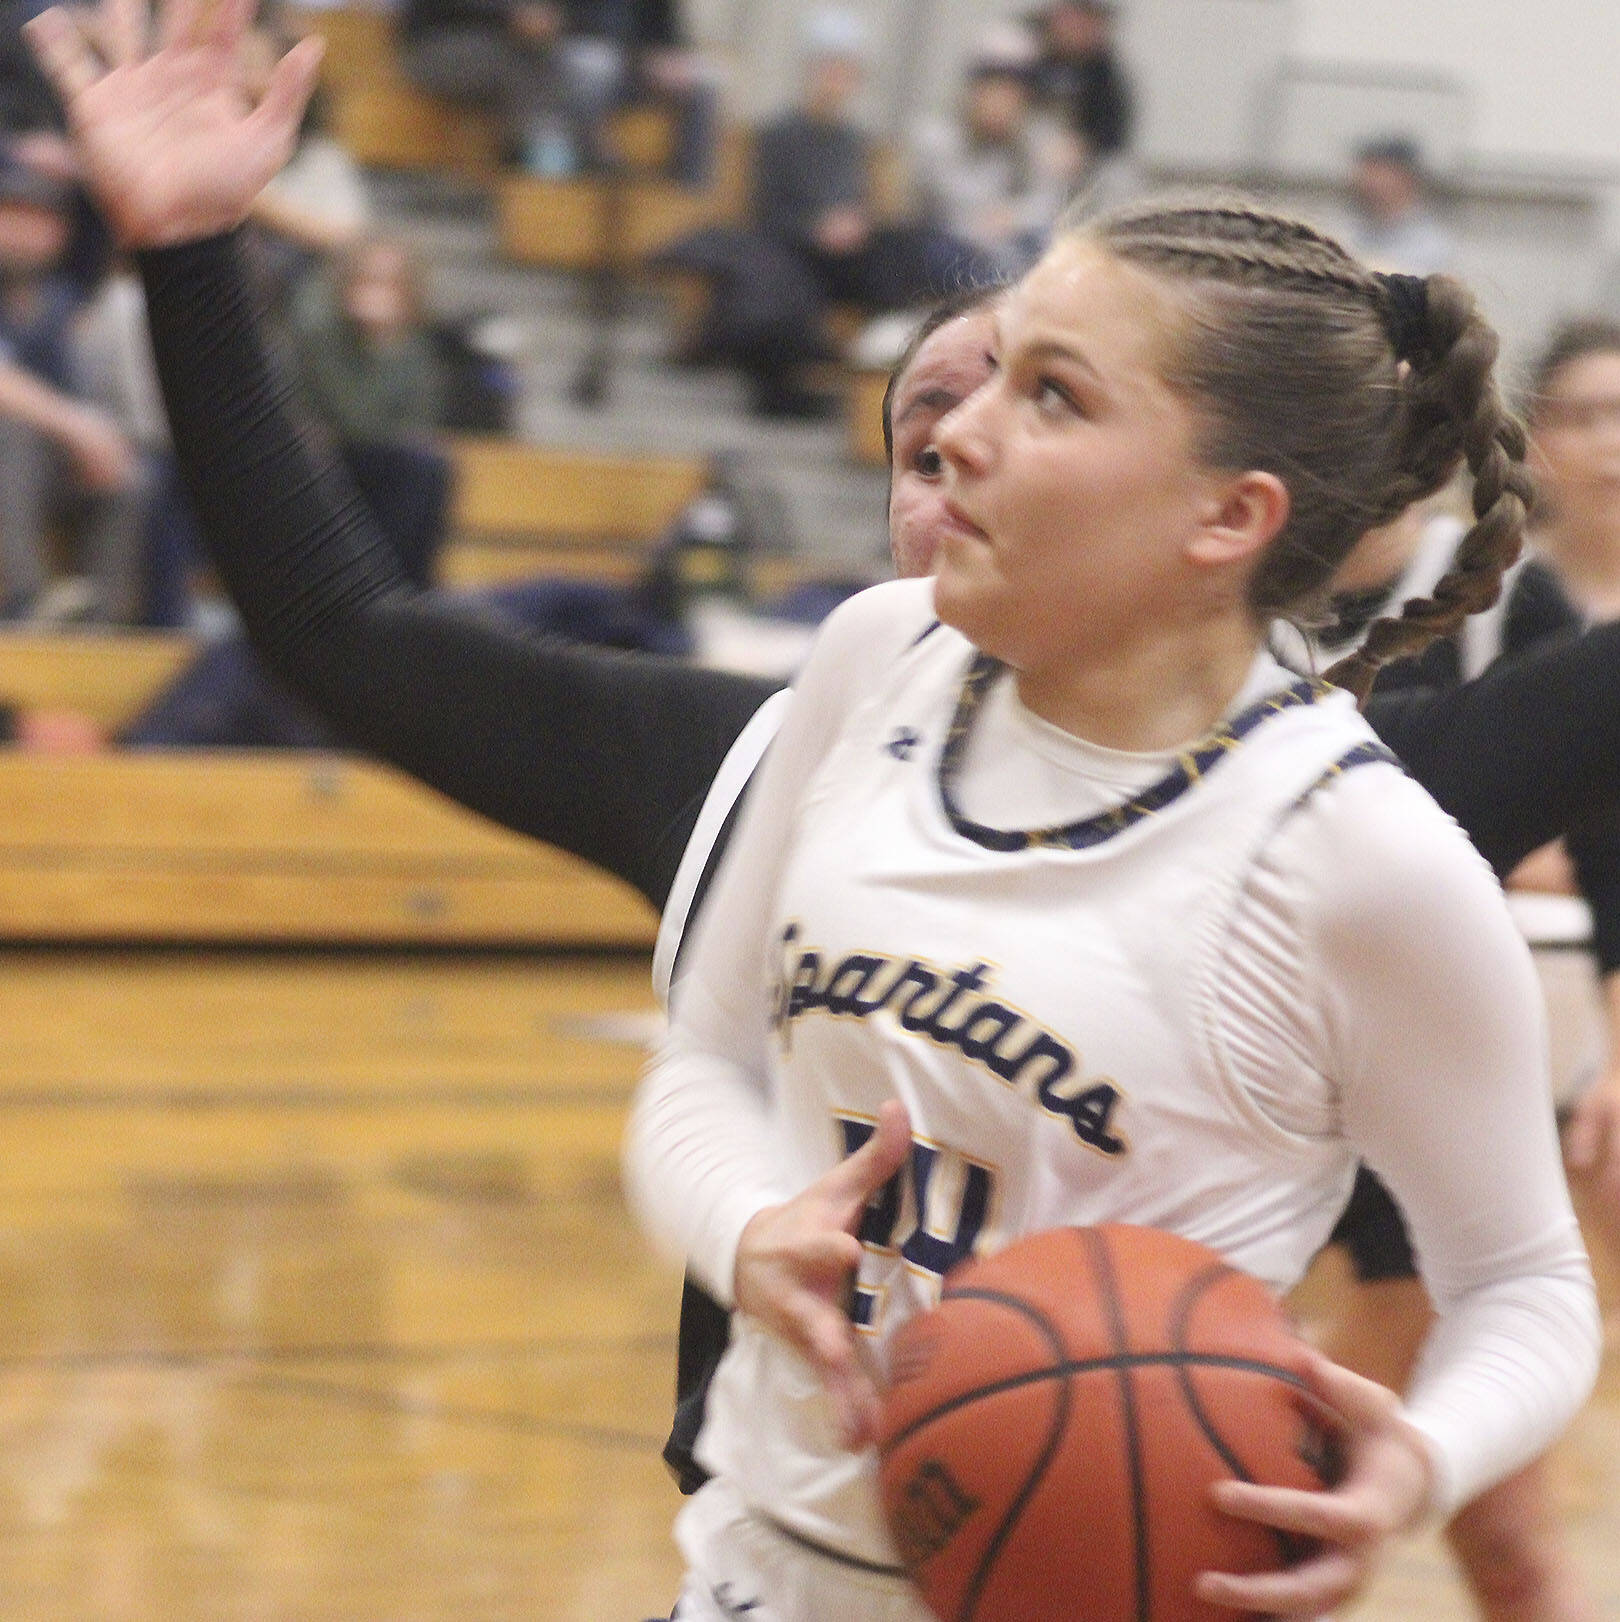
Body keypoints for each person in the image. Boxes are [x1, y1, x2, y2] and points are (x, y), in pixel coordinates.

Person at [21, 11, 1616, 1613]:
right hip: (750, 1570)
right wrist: (745, 1225)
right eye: (922, 429)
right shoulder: (854, 684)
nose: (958, 446)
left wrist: (1424, 1451)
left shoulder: (1347, 837)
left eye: (1043, 397)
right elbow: (686, 1060)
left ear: (1226, 513)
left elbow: (1530, 1280)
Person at [1343, 134, 1457, 278]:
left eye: (1377, 171)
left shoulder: (1431, 247)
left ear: (1404, 178)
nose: (1365, 182)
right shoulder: (1351, 234)